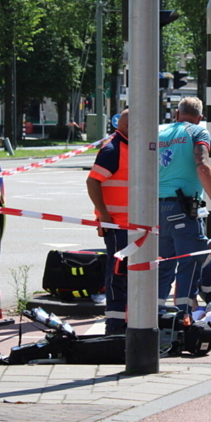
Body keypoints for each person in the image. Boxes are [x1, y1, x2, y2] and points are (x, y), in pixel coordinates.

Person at [158, 97, 211, 311]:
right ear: (200, 117)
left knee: (164, 264)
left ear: (177, 114)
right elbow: (202, 166)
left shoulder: (159, 133)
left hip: (158, 208)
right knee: (190, 263)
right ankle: (183, 317)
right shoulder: (198, 132)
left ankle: (157, 315)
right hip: (184, 208)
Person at [86, 109, 129, 334]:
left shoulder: (132, 147)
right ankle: (114, 326)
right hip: (118, 225)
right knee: (118, 275)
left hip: (134, 225)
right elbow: (92, 181)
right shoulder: (113, 149)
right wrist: (103, 215)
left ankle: (127, 321)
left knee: (131, 275)